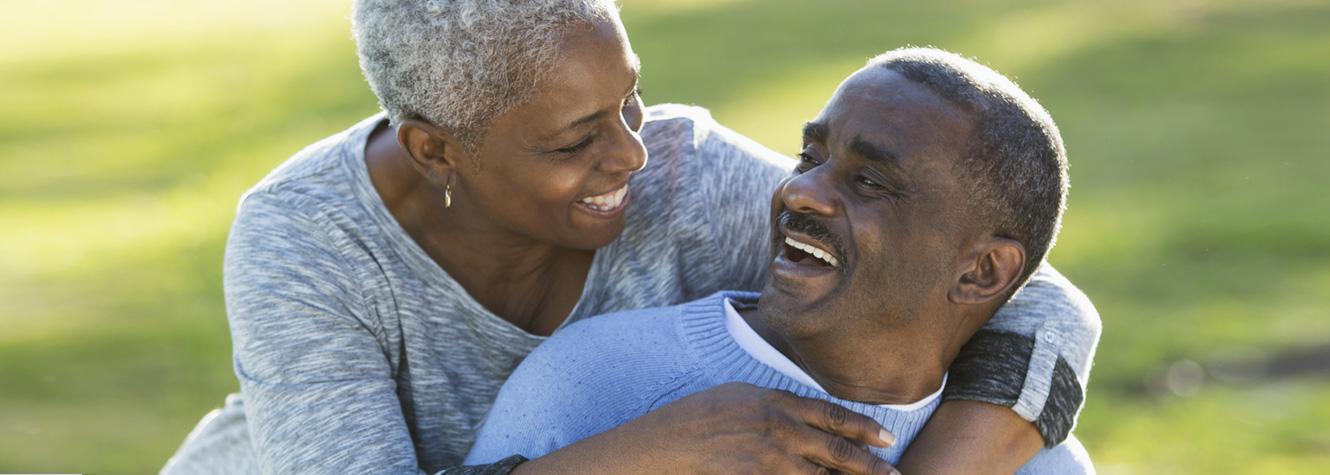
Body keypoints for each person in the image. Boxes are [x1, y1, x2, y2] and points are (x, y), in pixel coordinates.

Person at [163, 1, 1101, 474]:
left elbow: (1025, 290)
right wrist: (648, 450)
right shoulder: (309, 242)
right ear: (436, 149)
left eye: (629, 100)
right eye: (576, 139)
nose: (629, 153)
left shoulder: (677, 173)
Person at [466, 46, 1096, 474]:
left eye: (870, 182)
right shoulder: (594, 385)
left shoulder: (1032, 460)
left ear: (982, 271)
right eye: (809, 157)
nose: (799, 191)